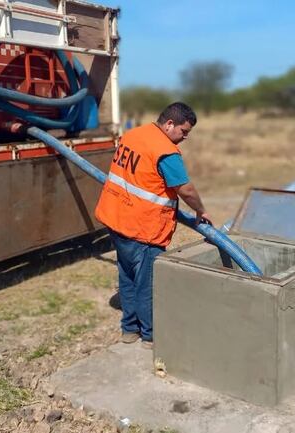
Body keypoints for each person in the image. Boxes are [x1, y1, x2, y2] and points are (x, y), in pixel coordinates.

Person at [95, 102, 210, 349]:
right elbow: (185, 190)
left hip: (117, 220)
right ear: (170, 124)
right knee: (147, 284)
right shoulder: (165, 151)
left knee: (127, 277)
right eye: (184, 131)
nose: (185, 137)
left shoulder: (133, 135)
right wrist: (200, 210)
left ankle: (129, 330)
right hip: (143, 228)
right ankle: (150, 336)